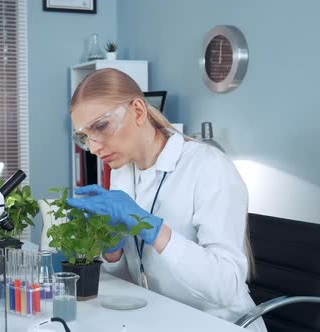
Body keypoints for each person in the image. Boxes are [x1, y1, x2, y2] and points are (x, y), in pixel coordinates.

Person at [66, 68, 266, 332]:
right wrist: (113, 252)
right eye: (84, 137)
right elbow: (137, 280)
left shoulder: (208, 166)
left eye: (101, 126)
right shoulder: (122, 172)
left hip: (220, 323)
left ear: (138, 111)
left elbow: (227, 287)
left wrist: (154, 229)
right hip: (161, 317)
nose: (93, 147)